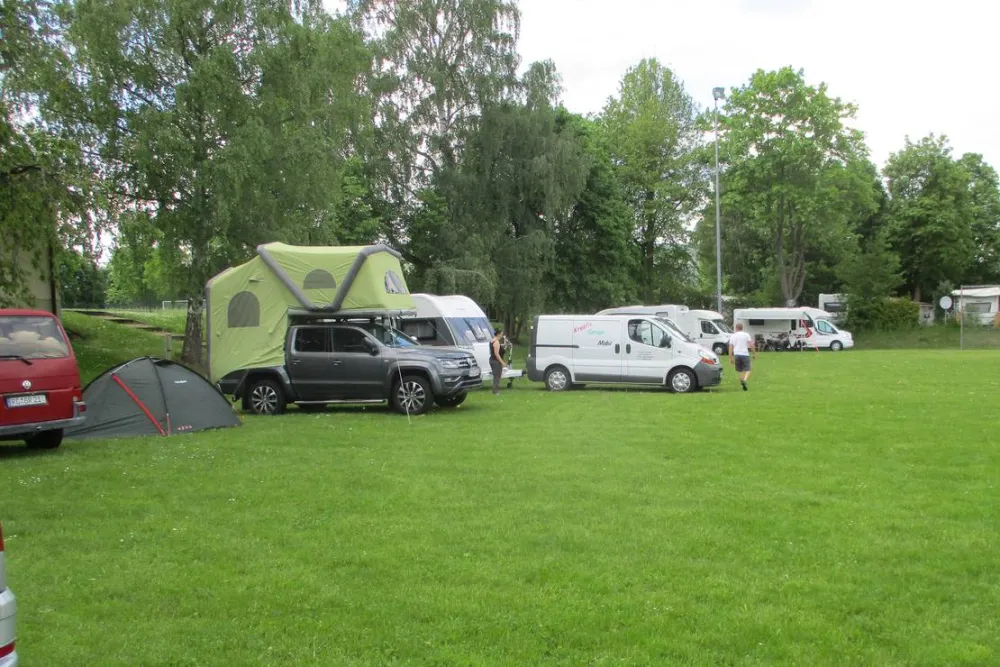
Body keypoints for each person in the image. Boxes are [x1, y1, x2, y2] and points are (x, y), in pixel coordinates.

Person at [728, 322, 756, 391]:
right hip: (745, 354)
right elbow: (751, 345)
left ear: (736, 328)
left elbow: (731, 347)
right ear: (742, 328)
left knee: (740, 370)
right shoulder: (746, 335)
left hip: (737, 354)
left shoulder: (733, 336)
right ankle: (745, 380)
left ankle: (742, 381)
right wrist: (754, 354)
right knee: (748, 369)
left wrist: (730, 358)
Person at [489, 326, 507, 395]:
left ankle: (495, 390)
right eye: (501, 333)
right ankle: (495, 391)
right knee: (497, 376)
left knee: (496, 375)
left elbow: (500, 345)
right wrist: (502, 362)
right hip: (495, 361)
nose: (502, 334)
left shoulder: (493, 340)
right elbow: (497, 354)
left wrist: (504, 341)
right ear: (498, 334)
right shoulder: (496, 342)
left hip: (492, 360)